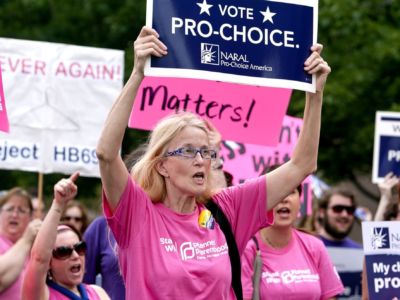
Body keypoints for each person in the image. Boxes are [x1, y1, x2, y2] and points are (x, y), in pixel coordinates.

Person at [95, 26, 331, 299]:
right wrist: (137, 73)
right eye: (187, 151)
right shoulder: (138, 216)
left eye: (206, 152)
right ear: (162, 166)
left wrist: (315, 94)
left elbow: (302, 165)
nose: (200, 160)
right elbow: (106, 153)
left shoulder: (226, 209)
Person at [241, 182, 344, 299]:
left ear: (300, 201)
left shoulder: (315, 246)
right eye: (276, 191)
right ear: (261, 200)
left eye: (290, 192)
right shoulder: (246, 248)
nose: (284, 198)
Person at [22, 172, 110, 300]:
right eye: (64, 251)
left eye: (80, 248)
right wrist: (58, 205)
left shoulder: (98, 293)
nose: (75, 256)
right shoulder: (41, 295)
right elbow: (39, 259)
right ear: (49, 263)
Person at [0, 188, 42, 298]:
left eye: (22, 210)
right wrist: (26, 240)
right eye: (10, 209)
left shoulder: (35, 247)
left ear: (31, 217)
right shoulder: (26, 242)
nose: (14, 214)